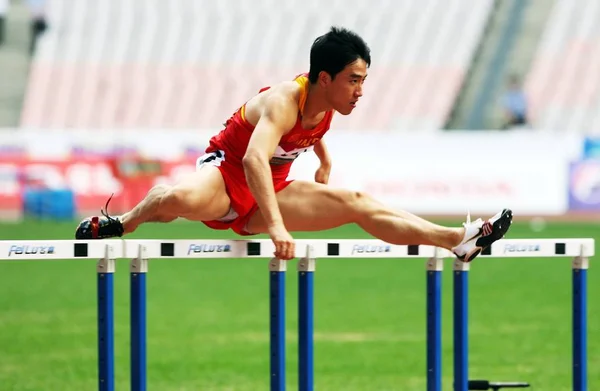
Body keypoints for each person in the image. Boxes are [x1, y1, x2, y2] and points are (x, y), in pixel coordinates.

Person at [75, 26, 513, 262]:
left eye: (364, 81)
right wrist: (277, 227)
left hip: (274, 186)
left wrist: (324, 162)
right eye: (354, 81)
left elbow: (312, 135)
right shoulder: (285, 100)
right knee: (171, 199)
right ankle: (126, 222)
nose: (361, 92)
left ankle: (459, 238)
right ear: (325, 78)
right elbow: (251, 159)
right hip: (228, 178)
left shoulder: (328, 107)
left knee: (358, 201)